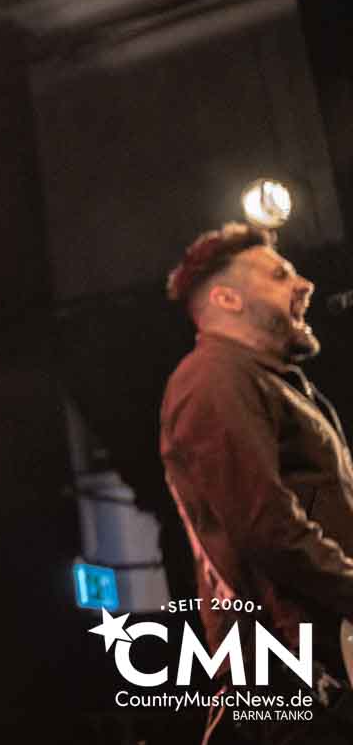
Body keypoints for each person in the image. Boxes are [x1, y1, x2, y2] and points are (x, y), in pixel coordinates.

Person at [159, 222, 353, 743]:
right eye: (279, 274)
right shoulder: (213, 379)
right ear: (227, 297)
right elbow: (265, 526)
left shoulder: (274, 384)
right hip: (282, 674)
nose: (305, 285)